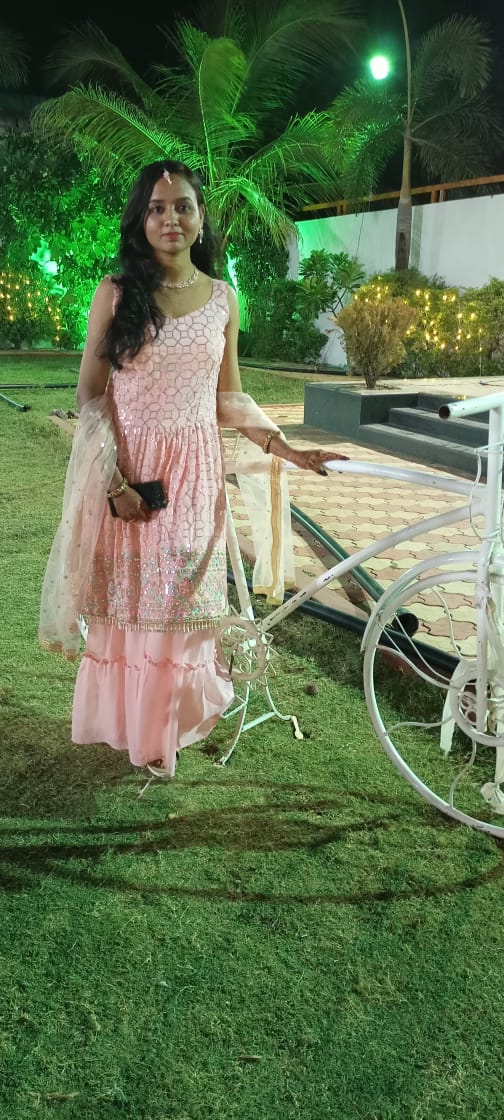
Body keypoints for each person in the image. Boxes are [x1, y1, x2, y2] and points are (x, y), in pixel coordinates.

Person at [39, 159, 346, 780]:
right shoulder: (116, 292)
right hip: (133, 472)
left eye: (183, 206)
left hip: (197, 476)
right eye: (156, 208)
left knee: (183, 600)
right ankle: (137, 729)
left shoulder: (223, 299)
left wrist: (285, 448)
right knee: (135, 598)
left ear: (201, 217)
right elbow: (91, 395)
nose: (170, 218)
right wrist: (115, 483)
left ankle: (165, 728)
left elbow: (227, 397)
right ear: (140, 219)